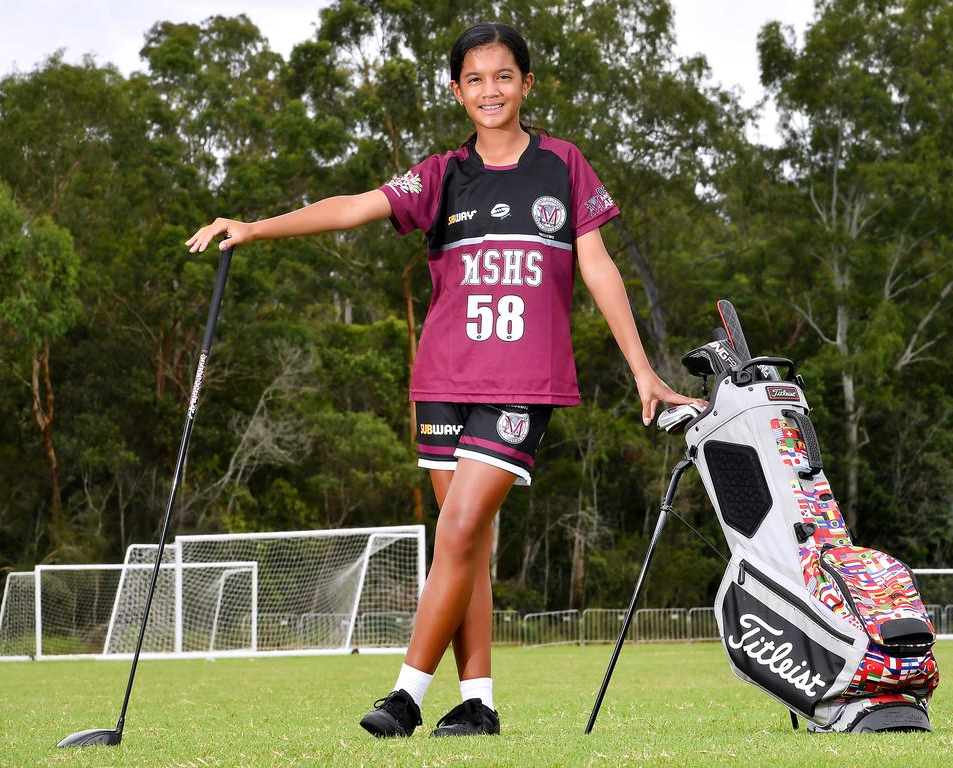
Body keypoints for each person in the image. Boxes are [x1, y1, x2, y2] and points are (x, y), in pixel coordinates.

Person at [187, 21, 701, 739]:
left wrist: (644, 369)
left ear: (527, 83)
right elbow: (351, 209)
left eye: (503, 76)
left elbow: (598, 267)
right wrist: (256, 226)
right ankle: (479, 702)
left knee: (459, 530)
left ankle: (405, 694)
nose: (490, 90)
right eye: (475, 79)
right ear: (456, 90)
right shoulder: (440, 176)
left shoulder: (564, 166)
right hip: (443, 379)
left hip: (522, 385)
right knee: (469, 548)